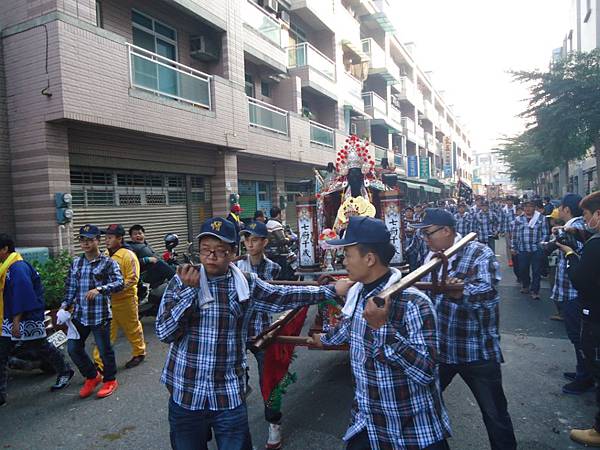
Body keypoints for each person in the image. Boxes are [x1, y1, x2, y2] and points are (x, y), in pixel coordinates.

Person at [156, 217, 341, 450]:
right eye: (205, 250)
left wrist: (330, 290)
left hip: (228, 394)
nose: (211, 256)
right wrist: (189, 294)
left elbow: (284, 295)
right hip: (185, 391)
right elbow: (164, 332)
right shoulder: (181, 282)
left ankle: (273, 424)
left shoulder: (245, 283)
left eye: (220, 251)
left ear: (233, 253)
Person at [309, 216, 451, 450]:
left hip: (412, 431)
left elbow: (426, 371)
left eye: (347, 255)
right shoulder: (357, 296)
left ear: (369, 258)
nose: (343, 261)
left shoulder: (415, 303)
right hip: (368, 423)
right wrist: (322, 340)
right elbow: (348, 329)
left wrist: (382, 328)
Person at [415, 209, 517, 450]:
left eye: (428, 234)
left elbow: (487, 292)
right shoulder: (430, 256)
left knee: (495, 415)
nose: (426, 240)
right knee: (422, 405)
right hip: (440, 350)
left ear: (447, 230)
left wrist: (461, 291)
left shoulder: (479, 252)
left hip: (476, 351)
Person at [0, 234, 74, 406]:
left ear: (5, 249)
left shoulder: (17, 268)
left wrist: (16, 322)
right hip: (9, 318)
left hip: (24, 318)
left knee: (40, 346)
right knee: (2, 354)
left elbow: (22, 296)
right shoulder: (6, 267)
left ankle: (65, 370)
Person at [556, 192, 600, 446]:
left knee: (594, 359)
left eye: (586, 215)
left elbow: (581, 280)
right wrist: (576, 235)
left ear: (597, 215)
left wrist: (570, 254)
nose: (584, 221)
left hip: (595, 311)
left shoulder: (596, 244)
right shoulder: (593, 239)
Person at [61, 224, 124, 399]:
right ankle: (92, 376)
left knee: (105, 351)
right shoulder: (76, 263)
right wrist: (64, 305)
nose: (86, 243)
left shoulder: (108, 262)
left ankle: (110, 380)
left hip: (100, 315)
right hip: (80, 316)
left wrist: (100, 289)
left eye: (90, 240)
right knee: (73, 349)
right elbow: (71, 287)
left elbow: (120, 283)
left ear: (98, 240)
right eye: (83, 240)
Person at [236, 221, 283, 450]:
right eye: (246, 239)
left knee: (269, 379)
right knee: (231, 377)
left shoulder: (273, 268)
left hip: (263, 330)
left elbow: (273, 300)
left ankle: (274, 423)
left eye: (255, 239)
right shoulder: (235, 266)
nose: (249, 243)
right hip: (238, 331)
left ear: (264, 242)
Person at [549, 194, 592, 395]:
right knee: (578, 336)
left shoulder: (578, 228)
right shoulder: (576, 228)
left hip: (573, 291)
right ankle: (582, 371)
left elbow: (578, 257)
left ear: (566, 209)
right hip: (572, 290)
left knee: (579, 337)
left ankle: (585, 377)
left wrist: (566, 249)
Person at [92, 224, 146, 371]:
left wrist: (115, 288)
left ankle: (139, 353)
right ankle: (99, 362)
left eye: (110, 238)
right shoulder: (105, 254)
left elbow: (133, 278)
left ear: (120, 239)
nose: (106, 241)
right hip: (108, 301)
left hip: (126, 300)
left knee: (132, 328)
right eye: (106, 237)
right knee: (106, 332)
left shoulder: (128, 255)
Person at [511, 199, 548, 300]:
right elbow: (514, 234)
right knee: (523, 269)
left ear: (534, 208)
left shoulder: (541, 218)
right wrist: (513, 247)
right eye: (526, 206)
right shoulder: (518, 219)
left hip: (537, 249)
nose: (528, 208)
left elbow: (545, 233)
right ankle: (526, 285)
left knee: (536, 271)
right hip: (522, 248)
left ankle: (535, 291)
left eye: (530, 206)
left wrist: (542, 244)